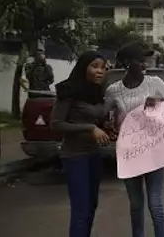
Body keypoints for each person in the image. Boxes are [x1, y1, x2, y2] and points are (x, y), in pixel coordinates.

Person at [104, 41, 164, 237]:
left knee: (155, 204)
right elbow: (103, 113)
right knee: (135, 204)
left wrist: (158, 104)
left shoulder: (155, 83)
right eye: (139, 60)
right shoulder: (113, 90)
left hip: (154, 150)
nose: (144, 64)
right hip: (129, 152)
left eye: (145, 60)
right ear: (126, 62)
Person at [50, 51, 109, 237]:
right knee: (81, 210)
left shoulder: (96, 92)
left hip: (94, 154)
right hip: (75, 156)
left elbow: (98, 116)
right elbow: (56, 124)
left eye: (103, 67)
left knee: (91, 206)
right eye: (94, 66)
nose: (99, 71)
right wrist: (90, 128)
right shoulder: (68, 91)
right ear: (84, 68)